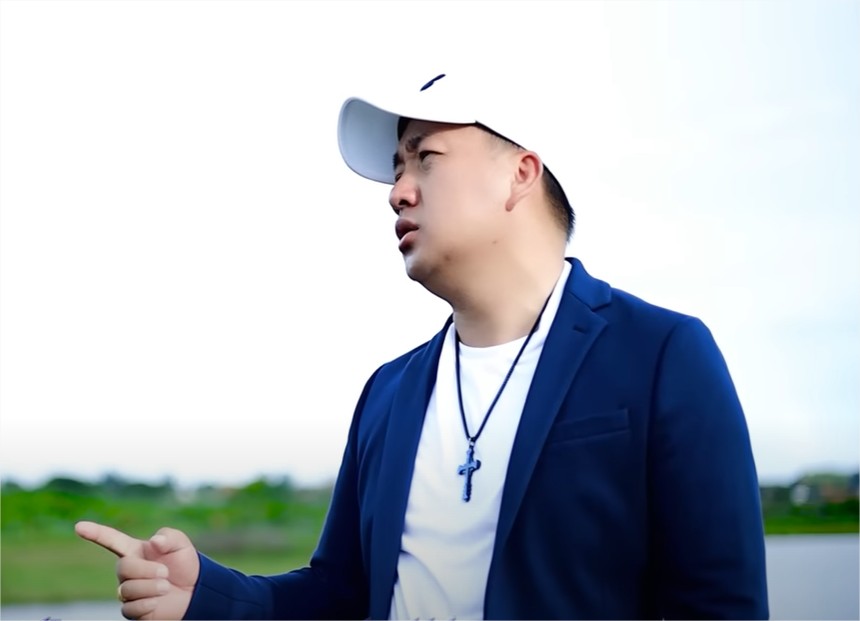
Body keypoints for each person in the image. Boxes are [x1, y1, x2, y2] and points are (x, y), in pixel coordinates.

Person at [75, 70, 769, 620]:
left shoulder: (661, 355)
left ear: (520, 172)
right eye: (396, 167)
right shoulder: (389, 391)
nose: (397, 192)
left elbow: (720, 606)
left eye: (425, 158)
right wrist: (207, 595)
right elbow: (343, 593)